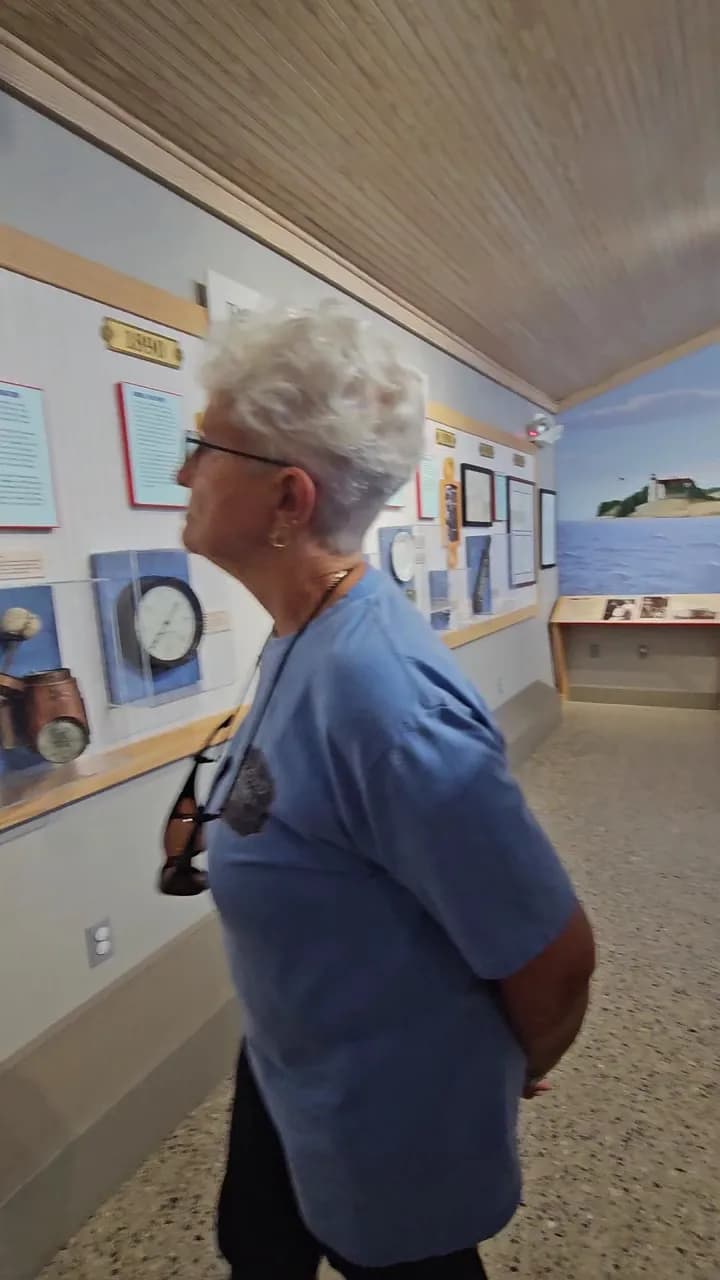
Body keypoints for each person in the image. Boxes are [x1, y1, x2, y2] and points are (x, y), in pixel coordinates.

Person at [172, 300, 595, 1279]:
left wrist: (512, 1060)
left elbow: (558, 959)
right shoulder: (302, 632)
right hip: (292, 1064)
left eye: (202, 447)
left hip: (389, 1112)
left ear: (288, 498)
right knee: (258, 1246)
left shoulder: (384, 705)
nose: (181, 471)